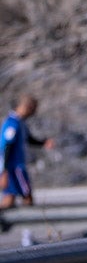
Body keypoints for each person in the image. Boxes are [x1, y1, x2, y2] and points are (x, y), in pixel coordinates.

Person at [1, 94, 55, 225]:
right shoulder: (13, 123)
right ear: (26, 107)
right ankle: (29, 226)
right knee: (26, 195)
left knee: (10, 198)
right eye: (33, 109)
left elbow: (29, 139)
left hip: (14, 166)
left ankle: (11, 224)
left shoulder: (20, 123)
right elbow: (7, 146)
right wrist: (5, 171)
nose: (34, 113)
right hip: (14, 167)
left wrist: (43, 143)